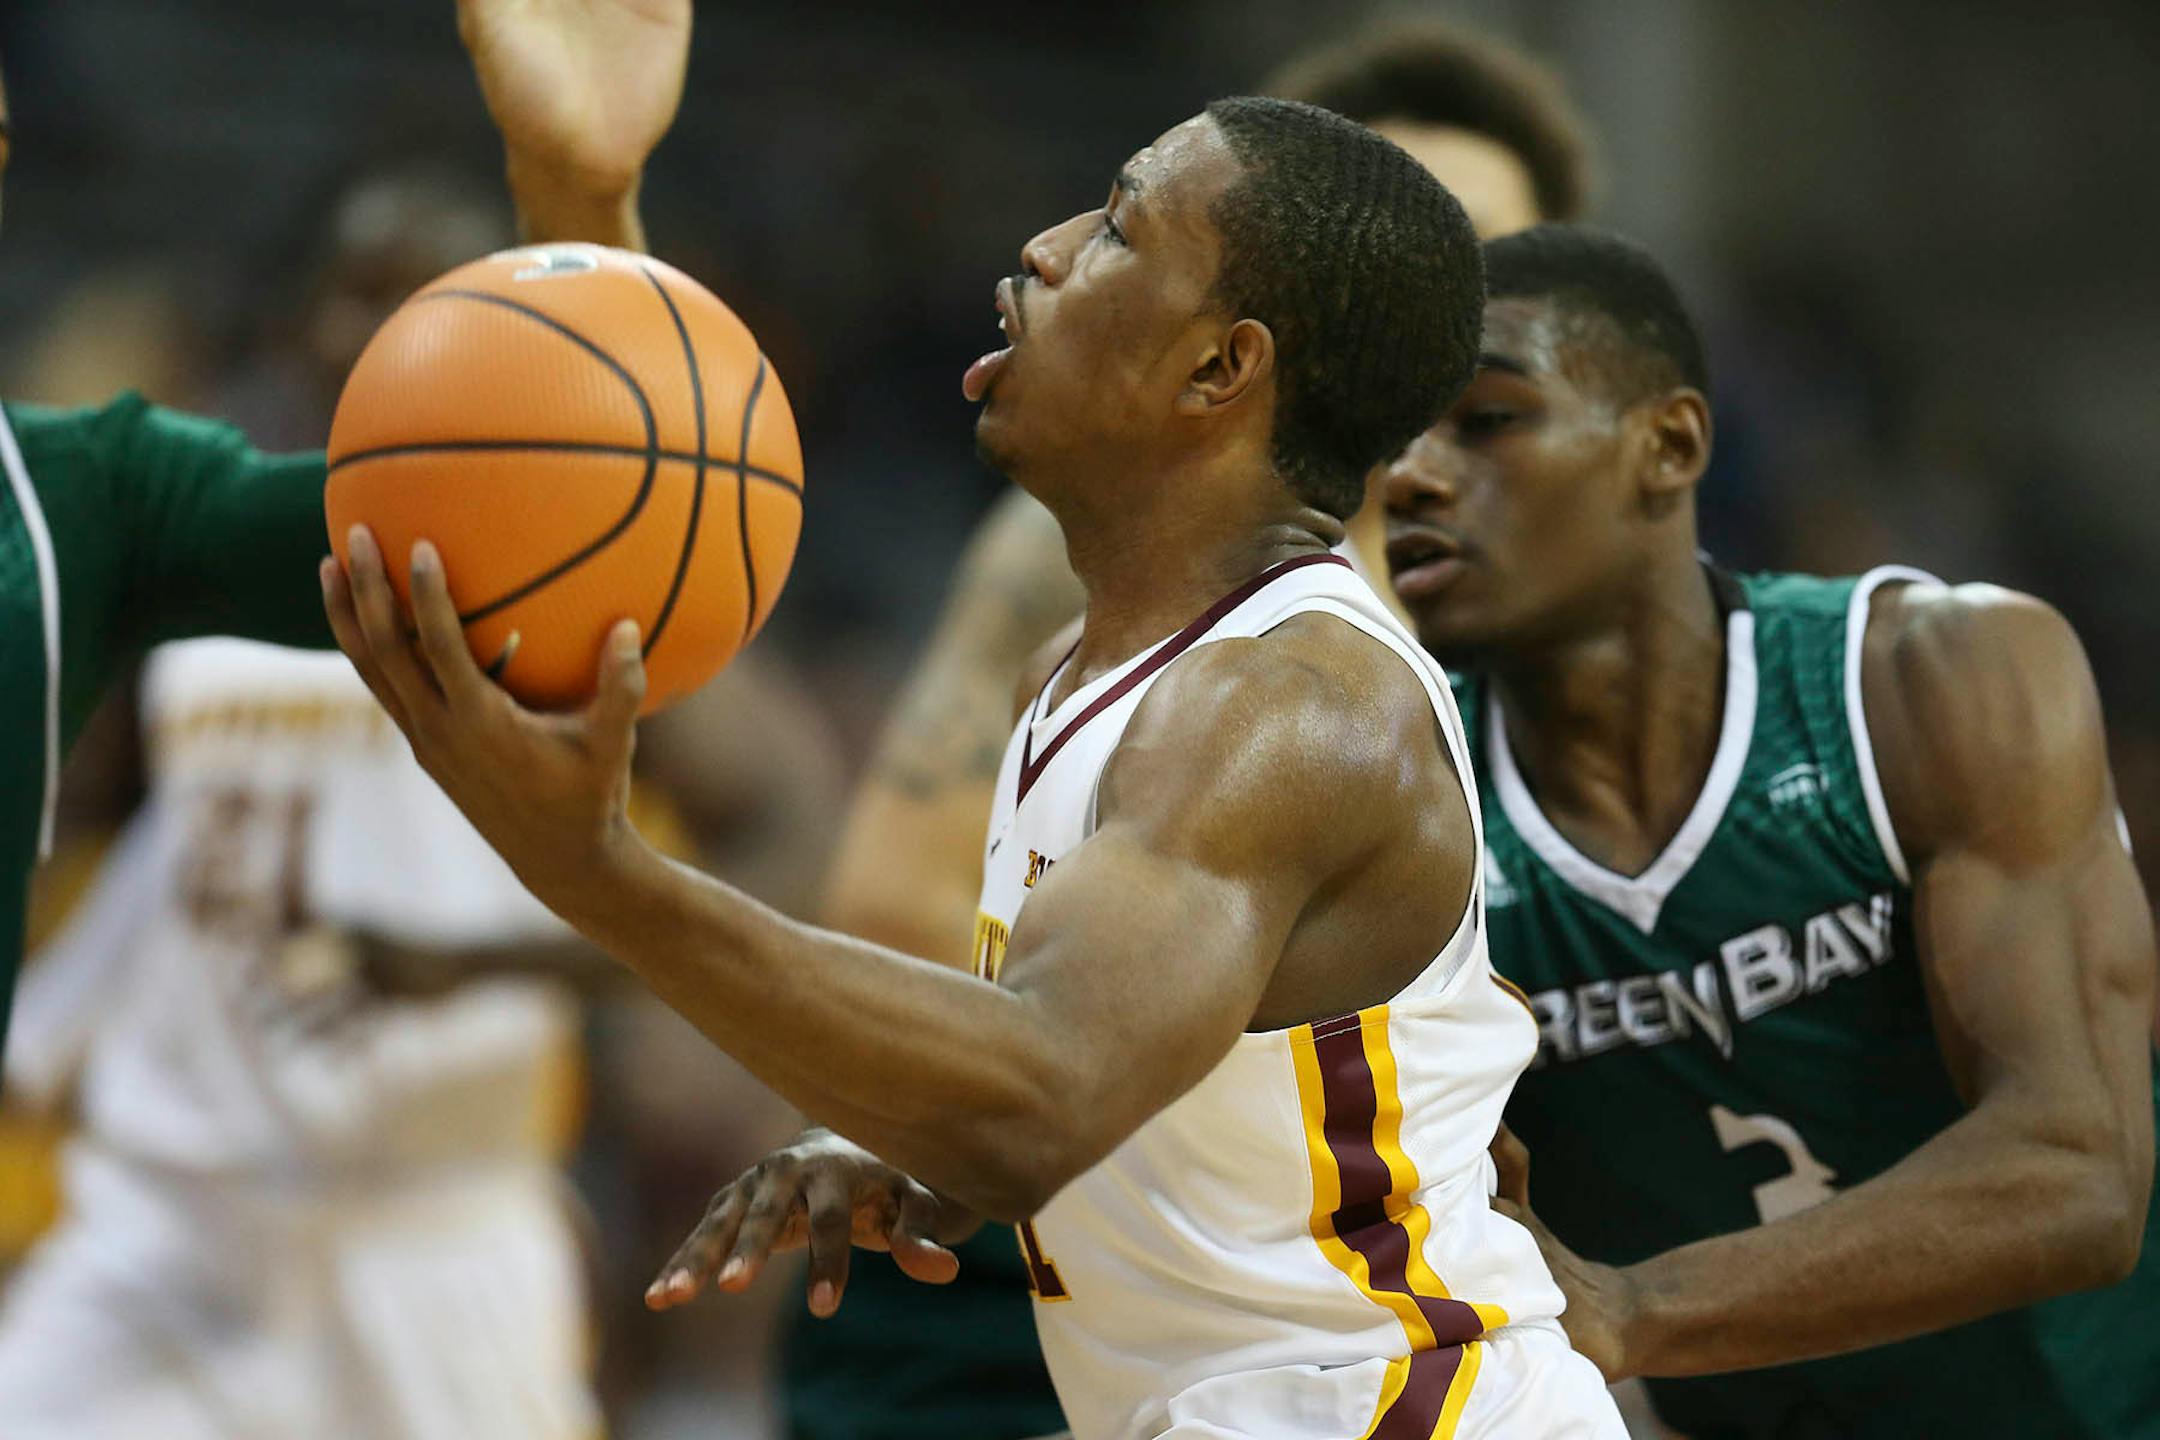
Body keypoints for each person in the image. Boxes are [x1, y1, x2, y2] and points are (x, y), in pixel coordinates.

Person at [326, 97, 1626, 1439]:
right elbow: (1120, 1076)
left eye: (1118, 230)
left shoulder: (1280, 706)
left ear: (1217, 370)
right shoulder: (1078, 670)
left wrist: (596, 872)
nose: (1048, 249)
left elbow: (1043, 1097)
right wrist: (914, 1148)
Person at [800, 25, 1594, 1435]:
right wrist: (1002, 1105)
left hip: (1340, 1343)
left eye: (1485, 255)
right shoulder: (1095, 584)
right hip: (1062, 1274)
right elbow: (908, 913)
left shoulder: (1540, 627)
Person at [1382, 224, 2158, 1437]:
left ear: (1671, 444)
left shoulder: (1931, 679)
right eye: (1390, 439)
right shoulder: (1409, 803)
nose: (1412, 477)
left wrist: (1632, 1309)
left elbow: (2081, 1173)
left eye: (1486, 420)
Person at [0, 0, 689, 1053]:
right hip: (176, 1172)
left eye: (428, 298)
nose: (390, 334)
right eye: (361, 294)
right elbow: (110, 840)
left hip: (442, 1180)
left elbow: (576, 508)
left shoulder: (101, 498)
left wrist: (578, 192)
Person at [0, 637, 604, 1439]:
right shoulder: (193, 544)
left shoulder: (562, 565)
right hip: (175, 1223)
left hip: (430, 1236)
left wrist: (473, 962)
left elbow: (765, 865)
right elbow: (150, 824)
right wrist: (55, 1023)